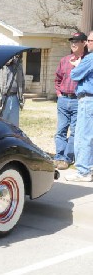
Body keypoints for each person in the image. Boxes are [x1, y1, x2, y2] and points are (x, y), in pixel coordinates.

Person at [53, 32, 88, 170]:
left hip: (78, 101)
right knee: (61, 130)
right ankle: (58, 156)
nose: (73, 43)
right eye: (72, 41)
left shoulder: (87, 61)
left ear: (84, 43)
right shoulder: (65, 60)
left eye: (77, 41)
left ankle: (67, 158)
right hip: (63, 100)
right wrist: (59, 94)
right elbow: (57, 79)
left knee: (74, 131)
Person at [65, 30, 93, 182]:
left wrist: (77, 65)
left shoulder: (90, 58)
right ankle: (90, 167)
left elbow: (75, 75)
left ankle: (83, 171)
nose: (88, 43)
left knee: (83, 136)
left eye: (90, 41)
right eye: (88, 40)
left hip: (88, 100)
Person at [0, 54, 25, 126]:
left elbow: (22, 80)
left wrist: (21, 95)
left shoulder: (18, 64)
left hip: (15, 98)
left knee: (13, 126)